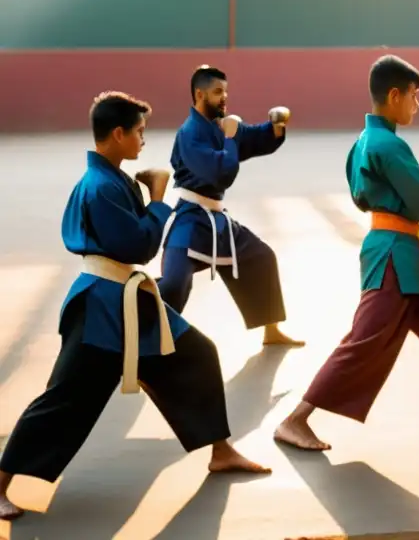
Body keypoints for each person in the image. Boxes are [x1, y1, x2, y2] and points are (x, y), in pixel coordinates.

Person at [0, 92, 269, 521]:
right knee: (66, 398)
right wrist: (159, 197)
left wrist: (148, 200)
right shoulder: (101, 186)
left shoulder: (111, 179)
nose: (144, 140)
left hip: (127, 300)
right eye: (139, 132)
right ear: (119, 133)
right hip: (101, 309)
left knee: (197, 353)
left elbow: (132, 241)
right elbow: (140, 246)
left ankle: (220, 450)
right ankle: (0, 481)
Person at [274, 55, 419, 451]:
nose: (417, 104)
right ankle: (295, 420)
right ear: (395, 95)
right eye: (414, 96)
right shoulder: (388, 144)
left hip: (406, 247)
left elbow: (369, 195)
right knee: (367, 338)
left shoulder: (364, 141)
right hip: (394, 256)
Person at [158, 65, 303, 348]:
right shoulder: (190, 133)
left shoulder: (219, 126)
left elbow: (248, 139)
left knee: (261, 257)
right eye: (217, 92)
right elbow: (221, 171)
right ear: (200, 94)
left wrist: (274, 128)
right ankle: (147, 339)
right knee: (174, 284)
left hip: (217, 219)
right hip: (190, 219)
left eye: (225, 91)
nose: (224, 97)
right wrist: (230, 138)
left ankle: (271, 331)